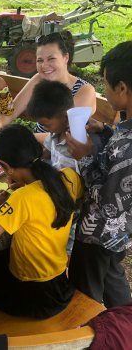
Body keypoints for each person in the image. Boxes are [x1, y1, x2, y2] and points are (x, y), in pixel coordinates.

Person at [0, 124, 83, 319]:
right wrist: (27, 185)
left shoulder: (22, 198)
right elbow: (52, 200)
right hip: (59, 284)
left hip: (31, 296)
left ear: (5, 166)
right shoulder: (68, 177)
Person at [66, 41, 132, 308]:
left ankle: (93, 335)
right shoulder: (124, 130)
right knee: (113, 274)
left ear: (122, 88)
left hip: (99, 233)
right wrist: (105, 130)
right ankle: (125, 324)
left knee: (86, 288)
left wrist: (85, 157)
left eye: (105, 83)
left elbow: (106, 202)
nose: (104, 89)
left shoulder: (127, 145)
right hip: (121, 233)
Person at [0, 31, 97, 137]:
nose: (44, 65)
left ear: (65, 57)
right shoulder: (40, 79)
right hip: (34, 148)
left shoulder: (84, 90)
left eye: (51, 59)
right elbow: (11, 112)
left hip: (59, 154)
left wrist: (22, 139)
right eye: (40, 60)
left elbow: (65, 136)